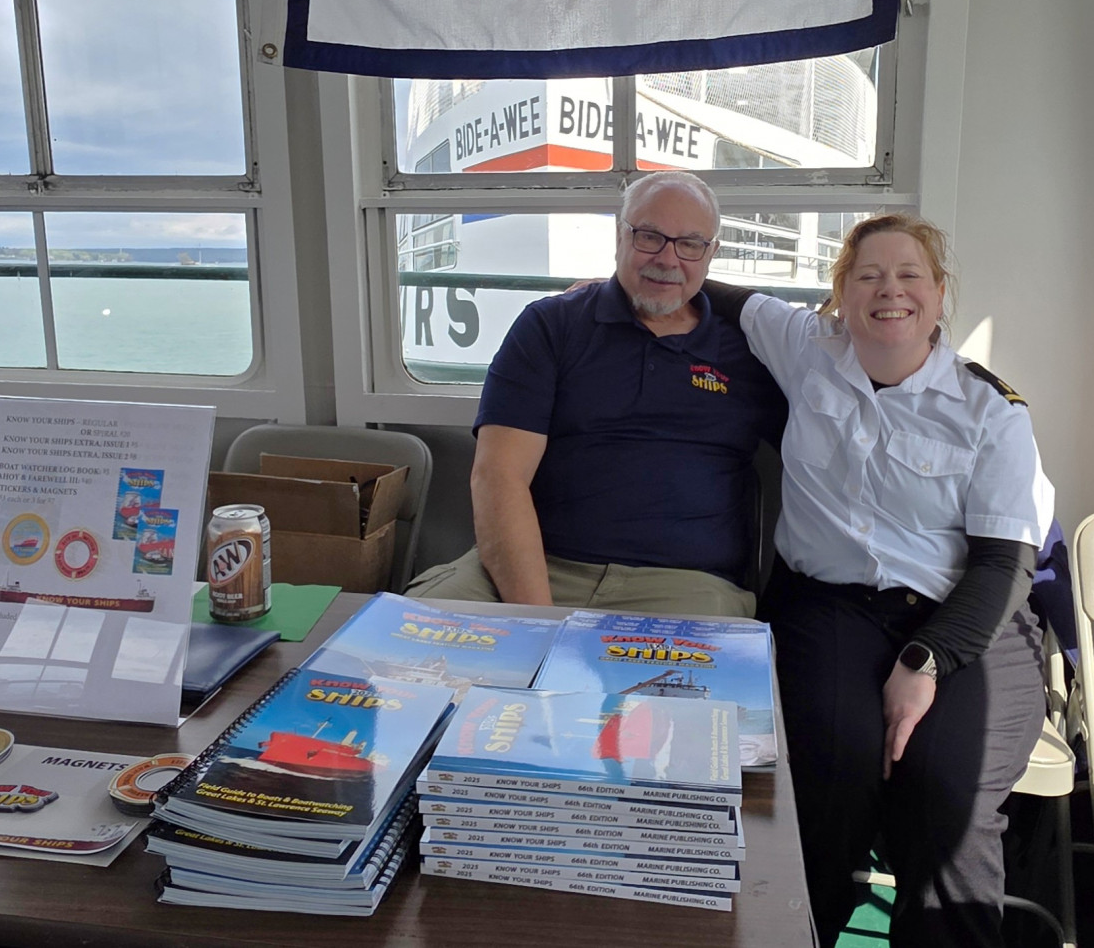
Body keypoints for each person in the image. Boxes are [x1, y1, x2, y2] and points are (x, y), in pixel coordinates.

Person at [715, 214, 1053, 948]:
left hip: (967, 618)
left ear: (939, 294)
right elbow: (719, 292)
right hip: (830, 607)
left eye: (909, 276)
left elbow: (1003, 566)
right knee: (828, 773)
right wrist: (606, 286)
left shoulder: (990, 411)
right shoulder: (807, 346)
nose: (889, 291)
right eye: (867, 275)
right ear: (840, 294)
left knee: (944, 793)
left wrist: (924, 661)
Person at [404, 170, 787, 616]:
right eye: (649, 237)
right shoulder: (551, 327)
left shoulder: (749, 350)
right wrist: (538, 620)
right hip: (535, 567)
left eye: (689, 244)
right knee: (404, 637)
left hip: (684, 586)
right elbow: (498, 477)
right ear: (620, 236)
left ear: (711, 253)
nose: (668, 258)